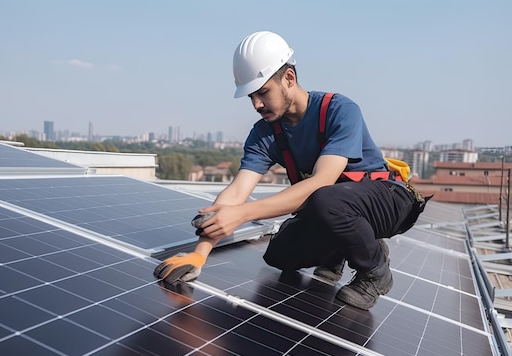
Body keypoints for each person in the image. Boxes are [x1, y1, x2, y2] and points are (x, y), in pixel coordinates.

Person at [154, 31, 426, 310]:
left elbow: (323, 181)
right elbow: (237, 191)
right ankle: (340, 247)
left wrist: (243, 214)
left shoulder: (340, 110)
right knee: (280, 257)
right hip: (334, 206)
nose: (256, 104)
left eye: (263, 92)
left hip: (389, 201)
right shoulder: (265, 133)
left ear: (289, 79)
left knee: (326, 199)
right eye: (251, 96)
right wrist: (200, 254)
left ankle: (375, 271)